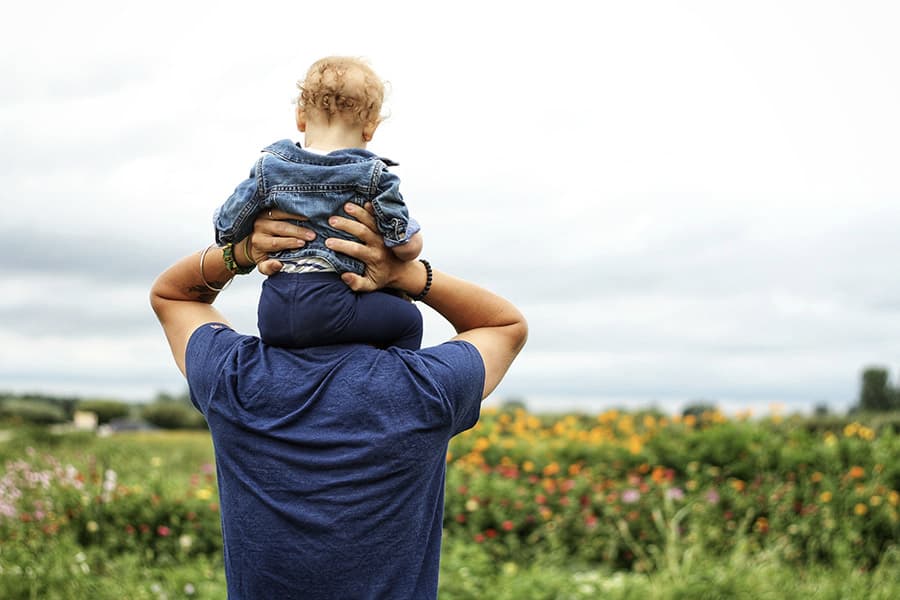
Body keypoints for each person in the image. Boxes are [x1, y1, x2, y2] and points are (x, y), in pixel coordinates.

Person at [150, 203, 527, 599]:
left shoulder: (236, 378)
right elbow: (503, 325)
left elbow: (174, 296)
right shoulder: (424, 388)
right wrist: (409, 273)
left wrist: (241, 253)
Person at [213, 56, 424, 350]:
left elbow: (227, 229)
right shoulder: (374, 175)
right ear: (370, 128)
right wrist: (412, 238)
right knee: (408, 319)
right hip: (334, 305)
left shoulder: (269, 168)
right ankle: (395, 385)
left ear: (300, 117)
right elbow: (404, 246)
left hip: (274, 310)